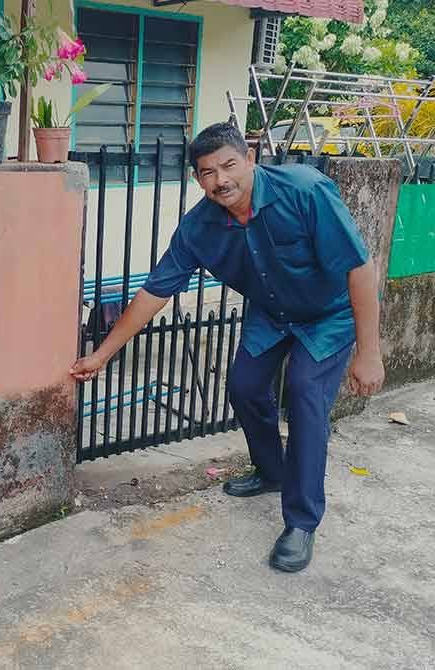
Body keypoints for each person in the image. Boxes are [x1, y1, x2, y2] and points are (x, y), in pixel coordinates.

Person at [70, 121, 385, 572]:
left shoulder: (306, 191)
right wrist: (102, 355)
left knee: (304, 396)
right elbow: (154, 293)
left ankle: (301, 521)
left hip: (327, 316)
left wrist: (368, 352)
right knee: (243, 386)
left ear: (250, 158)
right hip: (271, 313)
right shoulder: (199, 227)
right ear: (197, 179)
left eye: (229, 165)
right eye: (206, 172)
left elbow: (359, 268)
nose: (220, 180)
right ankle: (271, 472)